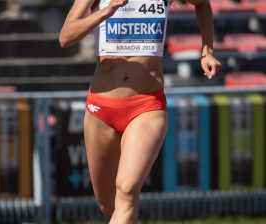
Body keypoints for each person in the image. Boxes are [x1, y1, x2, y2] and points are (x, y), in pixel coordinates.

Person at [59, 0, 221, 223]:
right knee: (108, 204)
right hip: (101, 109)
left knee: (127, 191)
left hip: (147, 106)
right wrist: (108, 10)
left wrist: (207, 51)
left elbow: (202, 3)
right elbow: (65, 37)